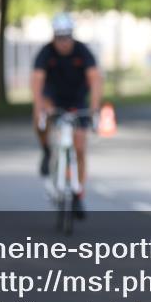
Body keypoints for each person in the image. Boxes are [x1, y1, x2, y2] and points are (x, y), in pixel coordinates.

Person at [31, 12, 103, 219]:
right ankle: (46, 150)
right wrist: (39, 109)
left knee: (80, 147)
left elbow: (96, 79)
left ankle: (78, 193)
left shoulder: (83, 51)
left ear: (72, 36)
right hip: (52, 99)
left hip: (77, 100)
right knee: (39, 121)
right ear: (54, 37)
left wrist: (95, 108)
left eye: (67, 37)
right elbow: (37, 81)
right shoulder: (46, 53)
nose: (64, 42)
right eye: (59, 37)